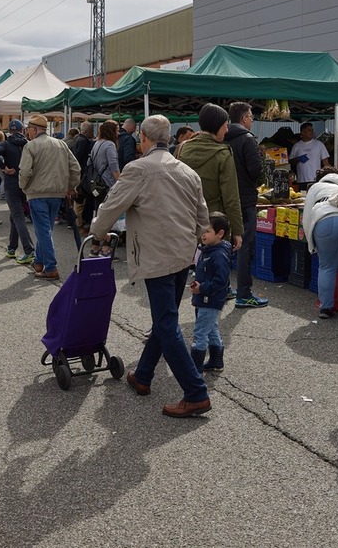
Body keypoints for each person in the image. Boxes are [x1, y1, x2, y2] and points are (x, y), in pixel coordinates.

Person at [91, 114, 212, 417]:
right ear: (168, 138)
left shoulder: (138, 169)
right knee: (165, 318)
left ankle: (195, 392)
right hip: (183, 252)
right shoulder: (187, 171)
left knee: (166, 323)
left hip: (157, 254)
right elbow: (202, 216)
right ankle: (143, 375)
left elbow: (111, 205)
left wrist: (97, 230)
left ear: (143, 138)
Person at [18, 113, 81, 280]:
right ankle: (39, 262)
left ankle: (51, 267)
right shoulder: (61, 144)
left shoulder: (31, 146)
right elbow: (76, 168)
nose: (27, 133)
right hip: (57, 194)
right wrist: (70, 187)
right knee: (45, 230)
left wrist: (23, 186)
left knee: (43, 231)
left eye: (28, 130)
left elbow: (24, 171)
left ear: (33, 130)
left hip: (37, 193)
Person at [177, 103, 243, 259]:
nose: (227, 130)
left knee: (182, 271)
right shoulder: (223, 154)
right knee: (215, 272)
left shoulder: (182, 148)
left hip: (183, 219)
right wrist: (237, 231)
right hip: (213, 223)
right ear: (217, 126)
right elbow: (231, 198)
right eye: (225, 125)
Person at [224, 102, 268, 308]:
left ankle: (224, 288)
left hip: (225, 198)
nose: (252, 120)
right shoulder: (247, 139)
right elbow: (255, 170)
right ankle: (244, 293)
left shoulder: (221, 138)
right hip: (245, 199)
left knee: (224, 243)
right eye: (251, 116)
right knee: (245, 246)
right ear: (244, 118)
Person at [303, 167, 338, 320]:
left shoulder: (316, 187)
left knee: (327, 267)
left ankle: (326, 308)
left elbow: (307, 215)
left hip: (325, 220)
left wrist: (311, 243)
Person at [189, 211, 232, 373]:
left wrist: (202, 288)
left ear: (220, 234)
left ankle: (195, 369)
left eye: (207, 231)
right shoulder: (208, 249)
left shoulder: (219, 254)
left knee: (200, 332)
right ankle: (216, 360)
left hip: (210, 298)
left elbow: (221, 281)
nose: (203, 234)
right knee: (211, 328)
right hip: (205, 296)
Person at [0, 119, 35, 265]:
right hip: (25, 183)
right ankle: (11, 247)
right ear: (22, 130)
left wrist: (4, 167)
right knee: (14, 215)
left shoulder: (6, 144)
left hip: (11, 183)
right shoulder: (27, 144)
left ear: (9, 131)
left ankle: (29, 250)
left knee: (18, 216)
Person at [83, 120, 121, 256]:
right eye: (117, 129)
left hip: (97, 185)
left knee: (99, 216)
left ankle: (94, 247)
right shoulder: (109, 145)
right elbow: (114, 166)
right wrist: (121, 182)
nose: (118, 132)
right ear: (111, 131)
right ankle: (106, 249)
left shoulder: (96, 143)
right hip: (107, 185)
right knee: (109, 218)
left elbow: (89, 163)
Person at [288, 122, 330, 190]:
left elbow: (325, 162)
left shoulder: (319, 144)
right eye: (309, 130)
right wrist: (298, 159)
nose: (312, 132)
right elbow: (290, 161)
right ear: (303, 132)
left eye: (312, 130)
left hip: (316, 180)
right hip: (301, 180)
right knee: (303, 199)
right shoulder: (297, 146)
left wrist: (327, 177)